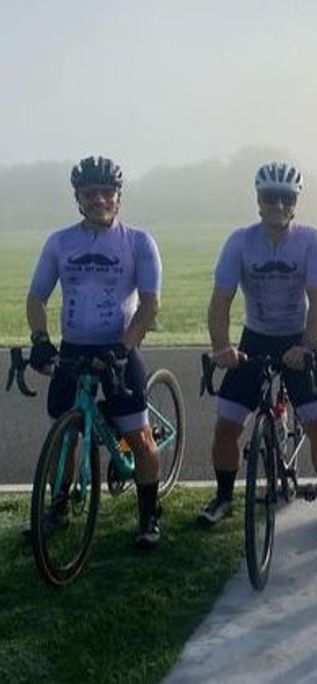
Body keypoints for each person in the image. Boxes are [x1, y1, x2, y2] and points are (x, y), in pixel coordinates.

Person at [199, 161, 317, 530]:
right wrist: (222, 348)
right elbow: (220, 300)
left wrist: (309, 346)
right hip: (255, 338)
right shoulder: (240, 241)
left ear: (295, 201)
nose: (278, 205)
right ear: (259, 200)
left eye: (286, 198)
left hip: (298, 340)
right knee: (227, 427)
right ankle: (223, 497)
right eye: (271, 197)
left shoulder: (310, 239)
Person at [27, 155, 163, 549]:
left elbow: (151, 304)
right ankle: (59, 506)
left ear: (119, 197)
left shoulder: (138, 241)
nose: (98, 199)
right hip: (73, 348)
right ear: (78, 198)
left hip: (118, 347)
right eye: (90, 193)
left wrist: (123, 347)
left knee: (137, 434)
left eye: (106, 192)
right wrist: (40, 338)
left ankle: (150, 515)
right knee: (63, 432)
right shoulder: (60, 242)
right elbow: (37, 297)